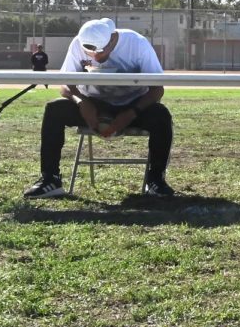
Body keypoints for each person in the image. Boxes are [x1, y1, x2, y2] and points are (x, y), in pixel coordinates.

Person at [24, 18, 173, 199]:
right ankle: (50, 179)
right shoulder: (78, 43)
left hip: (132, 104)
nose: (96, 57)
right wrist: (81, 102)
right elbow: (64, 83)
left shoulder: (138, 44)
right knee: (54, 109)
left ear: (112, 39)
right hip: (92, 105)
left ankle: (156, 179)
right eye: (90, 52)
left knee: (161, 115)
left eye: (101, 51)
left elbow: (157, 89)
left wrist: (131, 112)